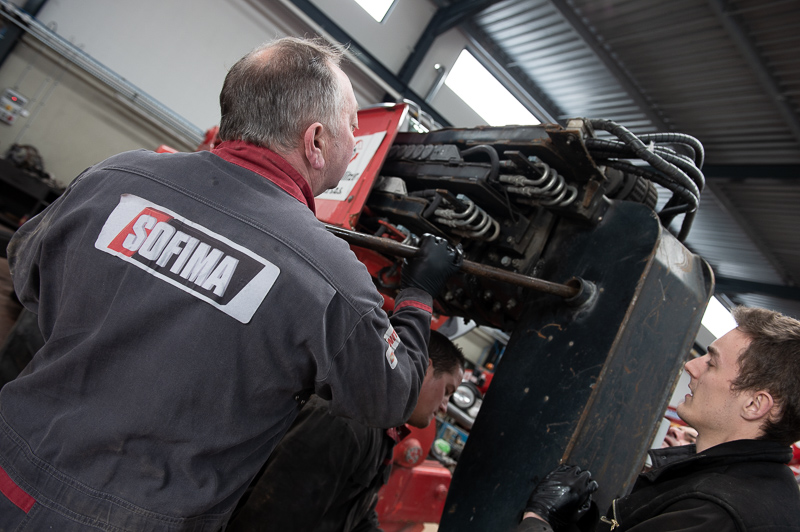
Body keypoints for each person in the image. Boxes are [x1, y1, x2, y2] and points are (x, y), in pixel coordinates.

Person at [0, 37, 462, 531]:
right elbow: (390, 397)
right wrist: (417, 295)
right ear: (315, 141)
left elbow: (27, 277)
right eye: (351, 128)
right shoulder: (332, 275)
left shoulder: (116, 176)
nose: (355, 143)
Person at [519, 306, 800, 532]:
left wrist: (538, 518)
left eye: (711, 363)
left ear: (754, 404)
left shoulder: (713, 514)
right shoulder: (748, 486)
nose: (691, 365)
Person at [226, 329, 466, 531]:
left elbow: (357, 513)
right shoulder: (342, 422)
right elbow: (272, 517)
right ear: (423, 368)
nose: (444, 407)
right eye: (447, 391)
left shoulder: (379, 429)